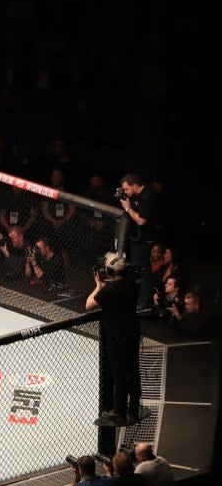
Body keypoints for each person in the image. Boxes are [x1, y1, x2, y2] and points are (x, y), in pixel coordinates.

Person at [86, 252, 142, 426]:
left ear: (109, 273)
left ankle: (119, 412)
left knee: (119, 374)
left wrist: (98, 285)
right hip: (132, 333)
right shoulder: (131, 283)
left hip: (116, 338)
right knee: (133, 369)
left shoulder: (108, 291)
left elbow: (88, 305)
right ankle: (133, 408)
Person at [118, 172, 157, 311]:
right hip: (136, 240)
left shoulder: (147, 196)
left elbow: (141, 220)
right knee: (136, 270)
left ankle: (145, 303)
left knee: (144, 272)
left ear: (135, 185)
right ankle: (138, 299)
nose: (125, 192)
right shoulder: (136, 196)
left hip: (144, 240)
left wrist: (128, 208)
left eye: (127, 189)